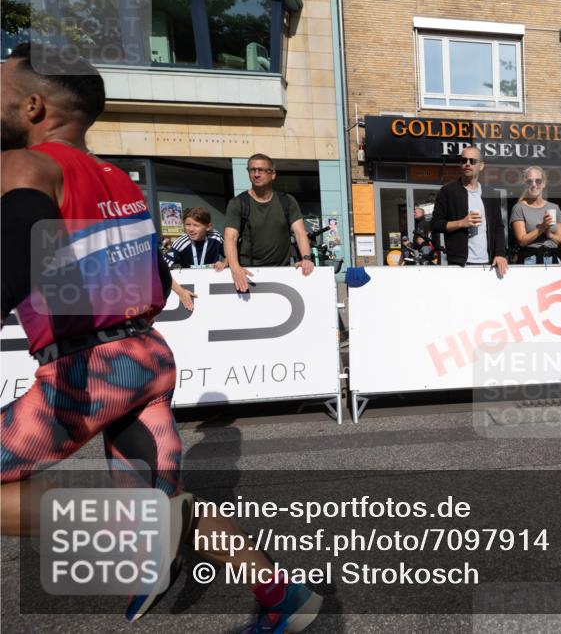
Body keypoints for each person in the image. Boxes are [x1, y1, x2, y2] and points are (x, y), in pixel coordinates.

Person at [0, 43, 321, 632]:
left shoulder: (28, 166)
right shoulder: (121, 184)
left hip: (91, 369)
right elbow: (157, 278)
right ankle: (283, 596)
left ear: (34, 107)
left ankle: (145, 526)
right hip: (146, 358)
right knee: (171, 503)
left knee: (155, 514)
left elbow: (14, 260)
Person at [223, 153, 315, 293]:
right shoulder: (238, 203)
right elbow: (230, 237)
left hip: (281, 271)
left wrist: (306, 258)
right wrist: (235, 268)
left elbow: (300, 232)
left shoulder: (287, 201)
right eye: (252, 170)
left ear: (272, 174)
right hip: (248, 272)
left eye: (261, 170)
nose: (256, 174)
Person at [430, 145, 508, 276]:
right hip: (460, 265)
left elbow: (498, 227)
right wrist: (461, 223)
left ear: (481, 166)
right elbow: (436, 224)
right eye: (463, 160)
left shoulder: (490, 193)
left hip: (488, 264)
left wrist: (500, 253)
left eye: (472, 161)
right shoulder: (448, 191)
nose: (467, 164)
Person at [164, 206, 227, 311]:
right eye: (187, 225)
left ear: (208, 227)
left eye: (196, 225)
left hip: (212, 287)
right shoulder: (181, 243)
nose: (191, 229)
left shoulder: (216, 237)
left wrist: (225, 263)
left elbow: (231, 255)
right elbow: (161, 270)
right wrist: (180, 292)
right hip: (188, 289)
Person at [510, 166, 561, 264]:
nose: (534, 184)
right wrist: (542, 228)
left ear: (544, 184)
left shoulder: (554, 207)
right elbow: (522, 241)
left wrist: (550, 235)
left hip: (553, 258)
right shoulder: (519, 208)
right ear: (525, 184)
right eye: (529, 181)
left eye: (538, 181)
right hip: (530, 259)